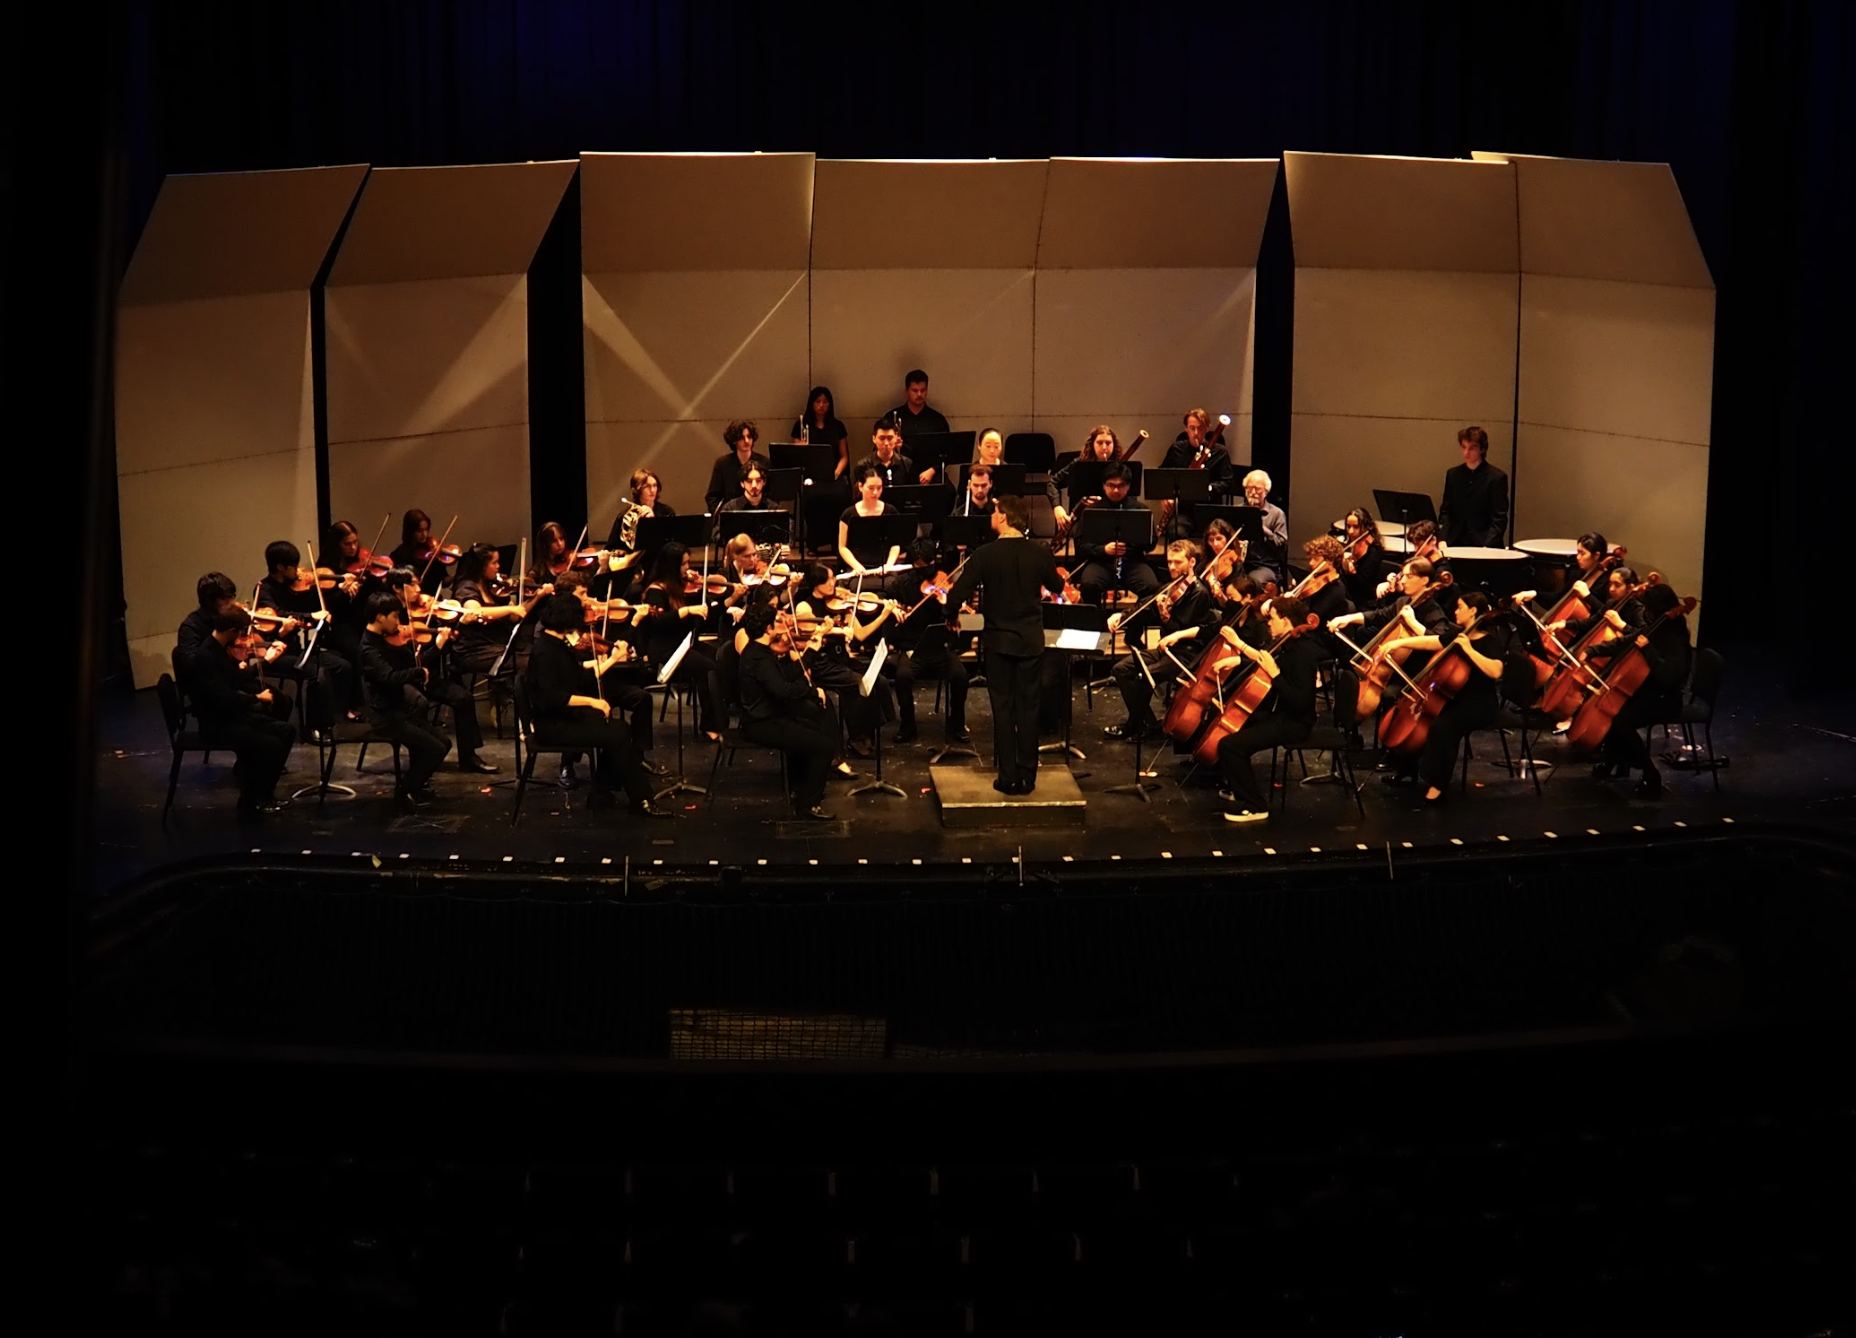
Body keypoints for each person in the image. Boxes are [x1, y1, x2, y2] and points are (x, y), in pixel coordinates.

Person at [946, 496, 1067, 794]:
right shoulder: (1038, 552)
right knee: (1029, 707)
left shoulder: (985, 555)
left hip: (998, 642)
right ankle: (1028, 776)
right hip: (1030, 641)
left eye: (995, 512)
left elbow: (957, 592)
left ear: (1003, 517)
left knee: (1002, 707)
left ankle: (1007, 776)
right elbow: (1057, 586)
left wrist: (951, 617)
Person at [525, 593, 677, 818]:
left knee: (616, 729)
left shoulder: (557, 645)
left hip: (563, 716)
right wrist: (592, 701)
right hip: (553, 724)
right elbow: (551, 697)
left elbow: (579, 678)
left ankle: (604, 791)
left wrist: (609, 660)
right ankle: (639, 798)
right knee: (617, 732)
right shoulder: (546, 651)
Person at [1375, 590, 1518, 803]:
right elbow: (1430, 642)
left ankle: (1438, 784)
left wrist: (1469, 650)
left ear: (1473, 611)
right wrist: (1398, 643)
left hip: (1478, 704)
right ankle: (1407, 769)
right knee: (1420, 722)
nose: (1455, 611)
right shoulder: (1458, 634)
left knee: (1442, 726)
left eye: (1460, 607)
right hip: (1452, 699)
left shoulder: (1490, 642)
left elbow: (1495, 671)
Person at [1210, 595, 1324, 824]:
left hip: (1294, 724)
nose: (1268, 623)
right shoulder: (1289, 643)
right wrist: (1239, 662)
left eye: (1272, 618)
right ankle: (1239, 785)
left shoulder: (1303, 652)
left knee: (1229, 746)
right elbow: (1266, 660)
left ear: (1285, 620)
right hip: (1281, 714)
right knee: (1234, 725)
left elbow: (1301, 702)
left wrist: (1275, 675)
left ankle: (1255, 805)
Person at [182, 605, 297, 821]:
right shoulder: (206, 656)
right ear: (232, 630)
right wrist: (257, 698)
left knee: (287, 731)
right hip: (217, 724)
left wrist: (265, 662)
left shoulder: (219, 650)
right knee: (269, 743)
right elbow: (224, 699)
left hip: (230, 718)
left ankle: (264, 794)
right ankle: (250, 800)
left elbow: (236, 680)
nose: (243, 639)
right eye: (241, 632)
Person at [1582, 581, 1692, 799]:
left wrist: (1648, 650)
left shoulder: (1675, 638)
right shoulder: (1656, 627)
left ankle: (1650, 774)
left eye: (1648, 608)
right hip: (1648, 693)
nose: (1645, 613)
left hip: (1665, 700)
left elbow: (1669, 677)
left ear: (1657, 610)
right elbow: (1626, 641)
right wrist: (1592, 650)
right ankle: (1615, 759)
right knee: (1612, 711)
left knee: (1620, 720)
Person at [737, 602, 841, 820]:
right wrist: (811, 691)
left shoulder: (759, 651)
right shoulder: (759, 659)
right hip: (762, 723)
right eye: (775, 622)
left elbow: (786, 677)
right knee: (824, 746)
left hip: (769, 718)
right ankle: (807, 804)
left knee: (814, 731)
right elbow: (783, 690)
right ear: (767, 629)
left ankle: (799, 789)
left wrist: (810, 651)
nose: (780, 624)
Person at [1105, 540, 1215, 742]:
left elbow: (1181, 630)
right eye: (1170, 562)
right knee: (1121, 669)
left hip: (1188, 653)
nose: (1172, 567)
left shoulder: (1198, 593)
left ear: (1192, 562)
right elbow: (1145, 605)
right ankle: (1146, 723)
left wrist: (1165, 617)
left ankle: (1137, 725)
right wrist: (1122, 616)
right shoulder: (1172, 586)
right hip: (1167, 649)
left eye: (1178, 562)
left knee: (1143, 677)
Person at [358, 589, 453, 809]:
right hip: (385, 716)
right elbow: (390, 678)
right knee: (434, 749)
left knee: (444, 743)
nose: (398, 622)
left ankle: (415, 786)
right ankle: (403, 792)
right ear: (381, 617)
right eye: (395, 616)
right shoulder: (369, 649)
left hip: (400, 710)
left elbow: (414, 667)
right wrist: (418, 674)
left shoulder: (387, 641)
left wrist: (437, 646)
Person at [888, 539, 971, 747]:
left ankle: (957, 723)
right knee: (903, 677)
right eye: (920, 567)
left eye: (929, 565)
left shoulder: (943, 583)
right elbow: (886, 601)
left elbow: (954, 611)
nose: (926, 572)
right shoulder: (901, 585)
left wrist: (953, 610)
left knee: (960, 676)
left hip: (940, 648)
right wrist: (893, 609)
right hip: (911, 649)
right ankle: (907, 725)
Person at [638, 542, 722, 741]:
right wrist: (686, 611)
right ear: (672, 566)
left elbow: (703, 617)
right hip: (666, 649)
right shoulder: (655, 591)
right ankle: (709, 725)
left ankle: (720, 718)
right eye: (684, 564)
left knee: (718, 660)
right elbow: (657, 623)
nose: (688, 568)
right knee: (707, 668)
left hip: (684, 643)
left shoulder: (682, 588)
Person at [1069, 463, 1161, 606]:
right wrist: (1104, 549)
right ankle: (1097, 624)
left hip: (1132, 562)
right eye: (1111, 485)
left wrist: (1131, 544)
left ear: (1128, 486)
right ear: (1104, 486)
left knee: (1151, 587)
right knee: (1089, 584)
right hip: (1101, 562)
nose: (1116, 490)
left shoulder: (1140, 510)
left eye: (1121, 485)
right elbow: (1081, 545)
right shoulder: (1091, 511)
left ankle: (1132, 623)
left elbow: (1151, 543)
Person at [1157, 408, 1236, 538]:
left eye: (1200, 428)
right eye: (1192, 428)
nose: (1196, 433)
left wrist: (1206, 488)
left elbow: (1228, 482)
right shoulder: (1177, 449)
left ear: (1207, 428)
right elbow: (1162, 475)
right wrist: (1165, 496)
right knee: (1175, 532)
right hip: (1184, 511)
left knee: (1217, 536)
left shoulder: (1220, 452)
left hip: (1210, 510)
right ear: (1186, 429)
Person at [1438, 425, 1509, 548]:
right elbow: (1446, 511)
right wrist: (1442, 538)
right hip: (1455, 541)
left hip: (1484, 543)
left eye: (1472, 448)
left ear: (1482, 449)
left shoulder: (1496, 478)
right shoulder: (1453, 475)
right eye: (1464, 447)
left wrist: (1488, 545)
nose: (1466, 453)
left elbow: (1499, 518)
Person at [1046, 425, 1121, 537]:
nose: (1104, 447)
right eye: (1100, 443)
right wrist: (1057, 507)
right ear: (1092, 445)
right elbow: (1053, 483)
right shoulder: (1078, 466)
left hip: (1111, 519)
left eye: (1108, 443)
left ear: (1114, 445)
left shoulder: (1121, 468)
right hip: (1083, 520)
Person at [838, 464, 903, 579]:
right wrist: (857, 566)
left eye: (879, 488)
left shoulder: (891, 511)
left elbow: (895, 543)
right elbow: (843, 547)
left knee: (893, 585)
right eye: (871, 488)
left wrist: (888, 565)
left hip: (885, 567)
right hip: (858, 568)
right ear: (860, 486)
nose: (875, 492)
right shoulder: (848, 514)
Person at [705, 420, 771, 515]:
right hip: (731, 515)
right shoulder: (722, 464)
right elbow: (713, 497)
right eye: (741, 438)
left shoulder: (764, 463)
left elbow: (771, 494)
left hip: (760, 513)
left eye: (749, 436)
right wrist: (724, 516)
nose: (747, 441)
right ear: (734, 441)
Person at [1238, 470, 1289, 587]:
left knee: (1250, 583)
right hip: (1240, 564)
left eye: (1257, 489)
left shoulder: (1276, 514)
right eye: (1249, 488)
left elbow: (1282, 546)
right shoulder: (1238, 511)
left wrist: (1261, 528)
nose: (1253, 492)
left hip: (1265, 566)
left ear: (1266, 491)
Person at [855, 413, 934, 488]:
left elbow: (913, 494)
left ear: (896, 438)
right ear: (874, 439)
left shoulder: (907, 464)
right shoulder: (863, 466)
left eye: (890, 438)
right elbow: (859, 496)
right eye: (882, 438)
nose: (886, 443)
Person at [390, 509, 453, 596]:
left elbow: (444, 580)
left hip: (432, 599)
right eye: (419, 531)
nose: (425, 535)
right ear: (410, 531)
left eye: (426, 530)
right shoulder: (399, 555)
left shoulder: (433, 550)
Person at [888, 368, 950, 444]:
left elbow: (946, 449)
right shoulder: (891, 418)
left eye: (923, 390)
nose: (919, 394)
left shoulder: (938, 420)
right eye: (915, 390)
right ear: (907, 391)